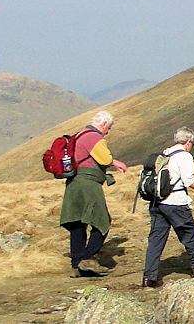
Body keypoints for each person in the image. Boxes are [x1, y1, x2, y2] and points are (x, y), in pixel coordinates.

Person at [141, 127, 194, 288]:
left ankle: (149, 277)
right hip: (175, 202)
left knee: (156, 239)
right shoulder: (184, 156)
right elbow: (188, 181)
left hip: (156, 202)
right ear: (188, 142)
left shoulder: (165, 154)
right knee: (190, 233)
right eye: (192, 143)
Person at [59, 111, 128, 277]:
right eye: (108, 129)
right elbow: (104, 159)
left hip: (74, 184)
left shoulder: (80, 134)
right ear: (104, 124)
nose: (107, 132)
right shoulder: (94, 137)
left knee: (77, 223)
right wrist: (115, 162)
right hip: (88, 185)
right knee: (102, 221)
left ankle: (76, 266)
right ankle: (87, 257)